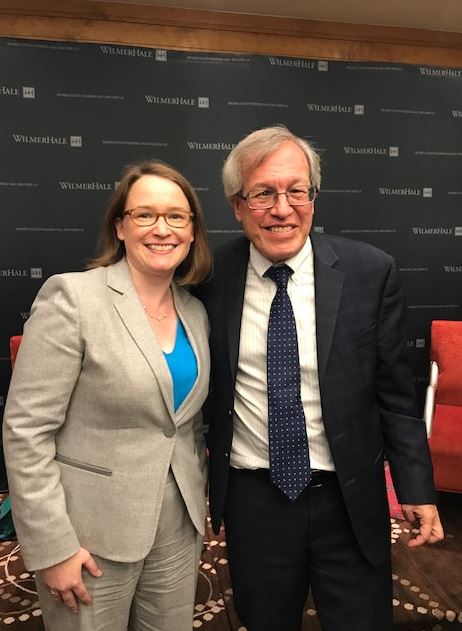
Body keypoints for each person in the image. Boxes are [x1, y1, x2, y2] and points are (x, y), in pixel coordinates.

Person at [194, 125, 444, 631]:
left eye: (296, 191)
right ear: (237, 205)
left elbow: (396, 397)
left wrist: (417, 487)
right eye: (263, 193)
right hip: (254, 500)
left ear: (313, 197)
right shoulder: (207, 276)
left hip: (349, 500)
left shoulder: (371, 272)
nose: (282, 208)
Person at [3, 159, 212, 631]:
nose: (162, 229)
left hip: (177, 530)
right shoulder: (73, 298)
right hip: (88, 535)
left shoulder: (195, 312)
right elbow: (26, 431)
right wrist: (52, 546)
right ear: (120, 226)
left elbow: (184, 425)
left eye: (176, 216)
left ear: (192, 230)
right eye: (145, 215)